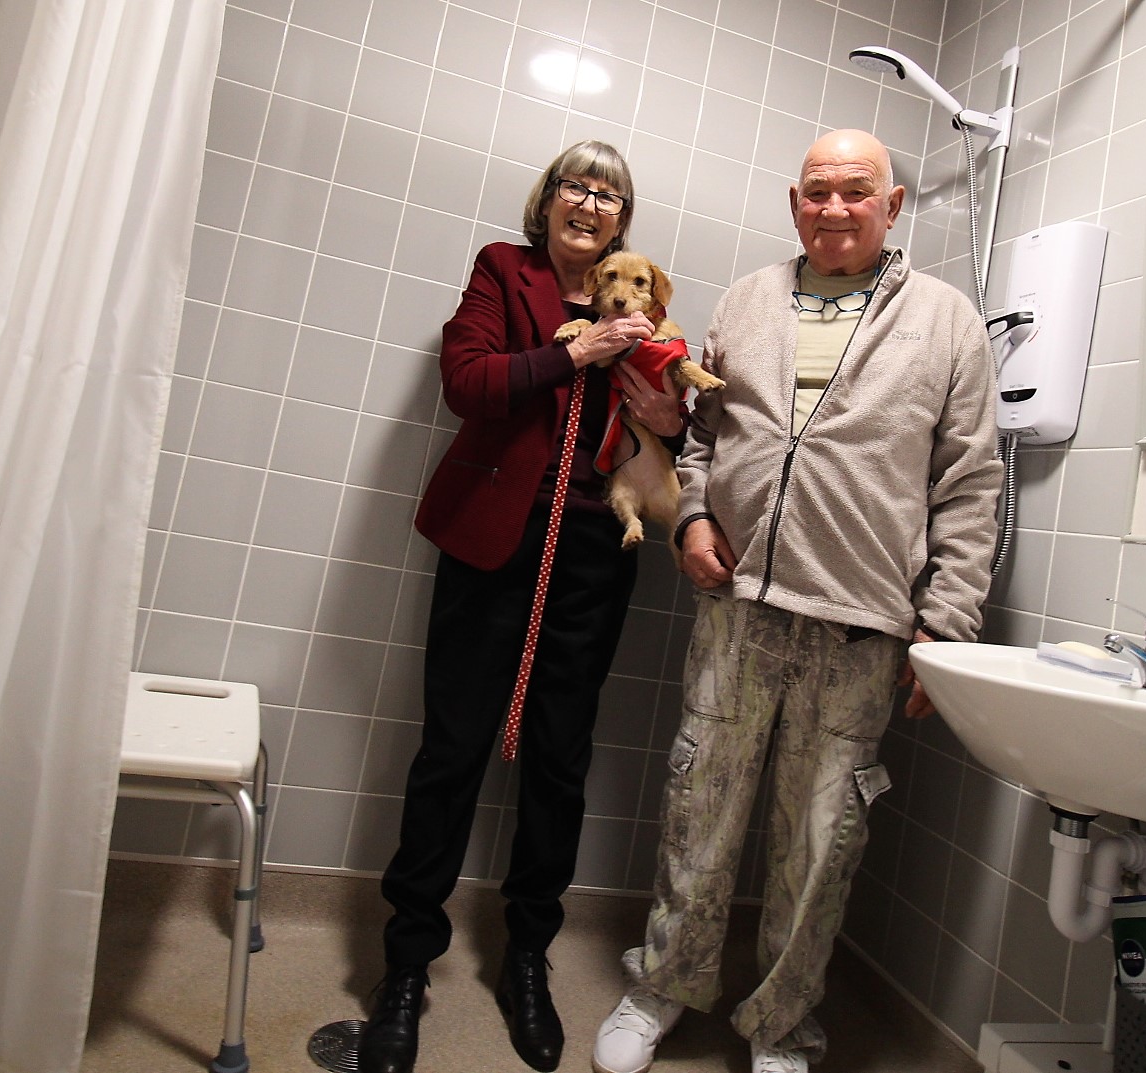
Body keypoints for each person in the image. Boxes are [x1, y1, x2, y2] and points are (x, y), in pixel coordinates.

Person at [590, 129, 1003, 1073]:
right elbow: (700, 437)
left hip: (862, 621)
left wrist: (948, 622)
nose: (834, 208)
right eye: (816, 192)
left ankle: (781, 1023)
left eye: (856, 192)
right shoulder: (747, 300)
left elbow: (971, 485)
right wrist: (693, 519)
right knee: (702, 805)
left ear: (892, 207)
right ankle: (662, 983)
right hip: (737, 599)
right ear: (793, 202)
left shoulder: (946, 322)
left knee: (822, 839)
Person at [357, 140, 690, 1073]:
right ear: (548, 201)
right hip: (495, 538)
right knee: (452, 749)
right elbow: (467, 384)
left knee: (559, 757)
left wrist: (671, 414)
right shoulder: (504, 274)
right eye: (577, 186)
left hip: (596, 550)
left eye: (610, 193)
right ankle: (406, 966)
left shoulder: (646, 302)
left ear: (624, 219)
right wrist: (571, 350)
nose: (591, 202)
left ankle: (528, 960)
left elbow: (678, 416)